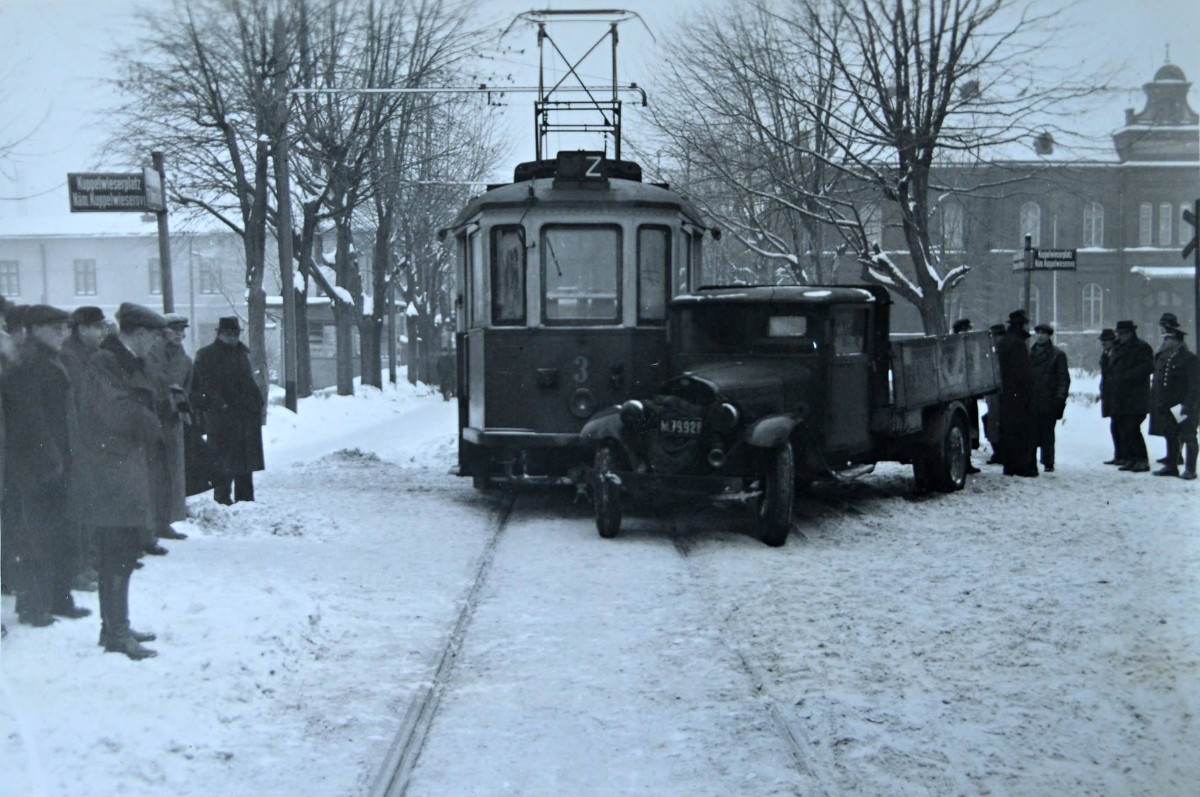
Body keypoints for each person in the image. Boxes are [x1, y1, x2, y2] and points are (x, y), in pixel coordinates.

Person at [78, 303, 168, 659]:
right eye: (153, 338)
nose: (154, 346)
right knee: (117, 551)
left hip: (123, 467)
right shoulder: (106, 362)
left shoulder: (124, 361)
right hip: (109, 470)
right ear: (140, 334)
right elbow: (114, 410)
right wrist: (149, 421)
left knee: (125, 551)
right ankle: (115, 633)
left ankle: (114, 626)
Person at [2, 304, 90, 626]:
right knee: (35, 537)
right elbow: (30, 420)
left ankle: (59, 599)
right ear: (35, 329)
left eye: (64, 328)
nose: (61, 334)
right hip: (34, 466)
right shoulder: (28, 364)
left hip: (57, 461)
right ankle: (34, 605)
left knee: (60, 532)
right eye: (54, 328)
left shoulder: (53, 360)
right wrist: (50, 457)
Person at [191, 316, 264, 504]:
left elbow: (248, 382)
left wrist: (257, 402)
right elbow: (203, 386)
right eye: (228, 334)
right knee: (223, 463)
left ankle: (246, 500)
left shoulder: (241, 354)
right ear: (220, 334)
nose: (232, 338)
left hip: (244, 417)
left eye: (235, 334)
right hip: (221, 418)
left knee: (245, 463)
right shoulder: (206, 355)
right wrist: (220, 405)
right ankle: (222, 500)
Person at [59, 306, 107, 590]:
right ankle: (77, 569)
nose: (103, 332)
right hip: (76, 442)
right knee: (77, 509)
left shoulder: (89, 355)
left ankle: (87, 564)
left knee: (89, 505)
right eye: (97, 327)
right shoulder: (70, 357)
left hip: (91, 441)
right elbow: (77, 404)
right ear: (82, 329)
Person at [145, 313, 192, 539]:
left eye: (183, 331)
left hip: (172, 420)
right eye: (175, 331)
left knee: (171, 472)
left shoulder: (184, 359)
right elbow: (150, 382)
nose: (180, 335)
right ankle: (149, 523)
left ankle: (165, 521)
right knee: (151, 471)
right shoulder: (151, 354)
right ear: (163, 332)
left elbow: (188, 387)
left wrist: (183, 404)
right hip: (153, 418)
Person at [1149, 325, 1199, 479]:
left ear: (1177, 341)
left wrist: (1188, 404)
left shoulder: (1189, 359)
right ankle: (1171, 467)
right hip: (1169, 405)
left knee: (1188, 436)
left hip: (1182, 405)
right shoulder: (1168, 357)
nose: (1165, 341)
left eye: (1168, 338)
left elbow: (1195, 385)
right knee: (1171, 435)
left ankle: (1190, 470)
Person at [995, 310, 1038, 477]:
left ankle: (1011, 466)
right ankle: (1023, 467)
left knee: (1009, 430)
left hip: (1008, 394)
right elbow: (1023, 372)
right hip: (1020, 395)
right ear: (1021, 325)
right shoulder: (1018, 344)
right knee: (1023, 432)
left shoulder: (1005, 342)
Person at [1108, 320, 1154, 473]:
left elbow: (1147, 367)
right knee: (1124, 428)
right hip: (1121, 396)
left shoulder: (1142, 347)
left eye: (1123, 333)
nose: (1120, 336)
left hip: (1136, 397)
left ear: (1131, 333)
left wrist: (1126, 377)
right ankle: (1131, 459)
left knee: (1132, 428)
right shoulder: (1118, 347)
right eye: (1119, 333)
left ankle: (1142, 460)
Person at [1029, 323, 1070, 472]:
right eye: (1038, 333)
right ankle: (1030, 461)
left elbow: (1063, 379)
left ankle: (1048, 462)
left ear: (1048, 336)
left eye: (1043, 333)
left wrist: (1060, 398)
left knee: (1047, 432)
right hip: (1033, 400)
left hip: (1049, 400)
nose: (1040, 336)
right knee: (1032, 432)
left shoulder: (1057, 355)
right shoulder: (1029, 353)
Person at [982, 323, 1006, 464]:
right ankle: (998, 452)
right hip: (994, 393)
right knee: (991, 422)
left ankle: (1001, 453)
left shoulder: (1002, 351)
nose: (996, 339)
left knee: (996, 423)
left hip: (1001, 393)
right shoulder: (992, 352)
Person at [1098, 329, 1121, 465]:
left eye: (1105, 341)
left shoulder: (1116, 354)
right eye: (1102, 341)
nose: (1103, 344)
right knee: (1115, 426)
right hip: (1110, 393)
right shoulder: (1106, 354)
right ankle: (1118, 454)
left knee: (1120, 426)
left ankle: (1122, 455)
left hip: (1117, 394)